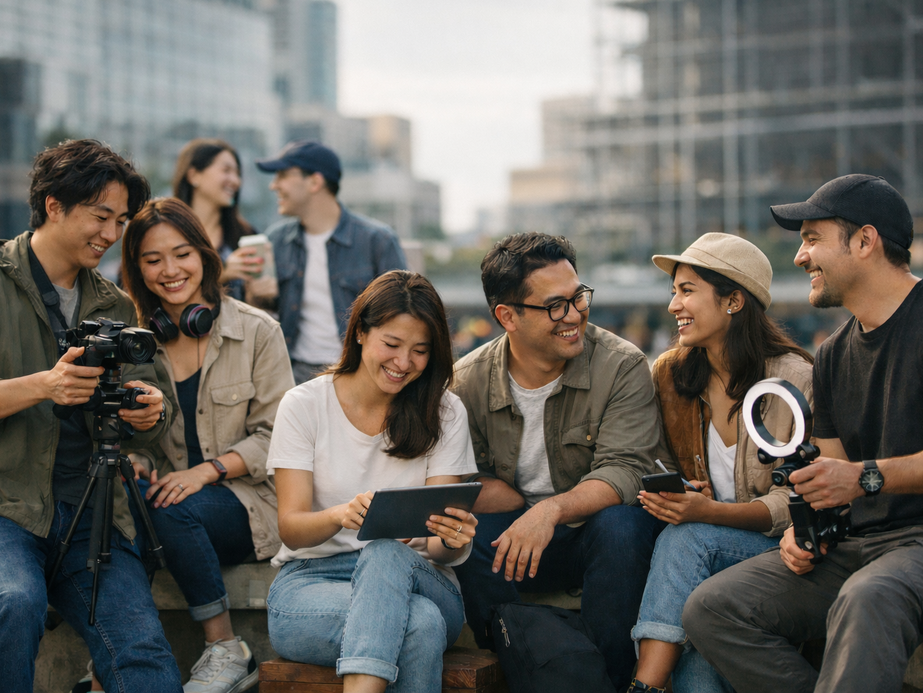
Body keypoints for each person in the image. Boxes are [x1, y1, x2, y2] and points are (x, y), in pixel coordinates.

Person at [683, 175, 923, 693]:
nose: (799, 256)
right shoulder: (834, 351)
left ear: (865, 241)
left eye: (812, 238)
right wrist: (803, 526)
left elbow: (853, 477)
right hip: (855, 546)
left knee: (868, 597)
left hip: (914, 549)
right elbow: (829, 478)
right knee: (711, 608)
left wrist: (864, 478)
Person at [0, 139, 182, 692]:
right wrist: (44, 385)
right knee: (14, 601)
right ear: (54, 205)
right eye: (100, 216)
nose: (111, 235)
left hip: (93, 513)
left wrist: (149, 414)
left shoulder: (114, 303)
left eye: (120, 220)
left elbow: (159, 412)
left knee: (141, 652)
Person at [451, 232, 666, 691]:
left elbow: (626, 470)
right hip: (513, 535)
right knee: (465, 541)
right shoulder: (465, 384)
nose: (574, 316)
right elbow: (459, 477)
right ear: (507, 316)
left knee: (623, 526)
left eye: (578, 297)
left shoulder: (622, 366)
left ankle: (607, 681)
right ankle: (520, 660)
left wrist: (549, 511)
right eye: (555, 306)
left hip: (589, 531)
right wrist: (508, 503)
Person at [265, 270, 478, 693]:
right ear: (361, 331)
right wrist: (341, 515)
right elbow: (291, 527)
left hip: (422, 577)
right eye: (392, 345)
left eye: (420, 351)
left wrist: (454, 539)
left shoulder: (445, 412)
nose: (404, 363)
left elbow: (436, 547)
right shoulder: (304, 405)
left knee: (385, 553)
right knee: (419, 624)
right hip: (312, 583)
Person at [626, 233, 814, 693]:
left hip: (780, 558)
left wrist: (711, 514)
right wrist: (686, 494)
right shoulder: (669, 374)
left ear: (733, 301)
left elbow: (800, 500)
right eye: (674, 291)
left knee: (687, 539)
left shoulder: (793, 380)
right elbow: (659, 465)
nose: (673, 305)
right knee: (697, 645)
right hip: (706, 559)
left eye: (687, 290)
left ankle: (644, 687)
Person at [121, 197, 294, 693]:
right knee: (123, 510)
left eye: (182, 254)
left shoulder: (257, 331)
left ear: (205, 255)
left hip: (246, 499)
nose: (170, 271)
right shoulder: (135, 344)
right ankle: (121, 654)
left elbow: (276, 437)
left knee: (173, 509)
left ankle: (224, 648)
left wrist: (205, 472)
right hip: (164, 500)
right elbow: (137, 442)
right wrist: (137, 461)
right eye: (152, 260)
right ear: (137, 270)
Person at [254, 140, 407, 385]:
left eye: (282, 175)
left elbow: (405, 316)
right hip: (293, 375)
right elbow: (264, 318)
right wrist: (255, 295)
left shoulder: (377, 240)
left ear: (315, 182)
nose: (274, 185)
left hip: (360, 374)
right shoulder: (276, 240)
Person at [173, 138, 264, 302]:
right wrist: (222, 274)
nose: (236, 181)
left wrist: (263, 293)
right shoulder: (165, 231)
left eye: (238, 174)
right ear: (194, 175)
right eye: (226, 170)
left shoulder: (245, 234)